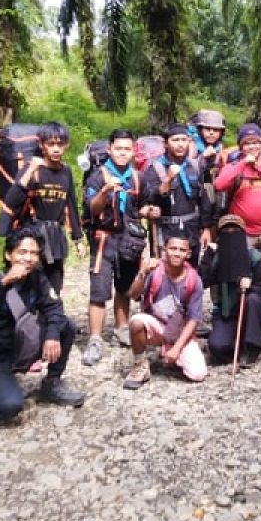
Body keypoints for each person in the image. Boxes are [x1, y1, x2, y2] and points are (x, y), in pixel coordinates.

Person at [0, 229, 85, 423]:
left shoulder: (36, 279)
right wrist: (5, 282)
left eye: (34, 253)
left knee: (65, 326)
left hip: (17, 348)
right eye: (22, 252)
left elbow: (54, 307)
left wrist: (51, 335)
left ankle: (52, 384)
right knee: (11, 407)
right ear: (9, 255)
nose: (29, 258)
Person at [82, 129, 149, 365]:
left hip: (128, 241)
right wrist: (105, 190)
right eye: (118, 148)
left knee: (124, 287)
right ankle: (95, 339)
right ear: (110, 149)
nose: (122, 153)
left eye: (127, 149)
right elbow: (92, 209)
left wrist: (149, 211)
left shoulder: (137, 177)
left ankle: (122, 329)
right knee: (99, 290)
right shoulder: (97, 176)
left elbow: (139, 206)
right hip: (104, 240)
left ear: (133, 151)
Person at [0, 121, 86, 294]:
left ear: (66, 145)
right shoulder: (33, 168)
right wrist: (30, 170)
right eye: (51, 144)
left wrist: (78, 239)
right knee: (29, 284)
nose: (55, 149)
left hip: (55, 235)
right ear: (41, 145)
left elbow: (71, 205)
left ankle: (50, 318)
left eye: (60, 144)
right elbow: (11, 199)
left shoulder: (66, 171)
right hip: (33, 234)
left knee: (55, 285)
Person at [123, 231, 208, 389]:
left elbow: (194, 320)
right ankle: (140, 365)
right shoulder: (155, 271)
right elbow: (133, 294)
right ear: (164, 250)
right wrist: (143, 272)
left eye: (182, 250)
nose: (177, 253)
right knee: (136, 322)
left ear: (189, 254)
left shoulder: (194, 280)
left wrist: (176, 349)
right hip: (157, 325)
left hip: (179, 331)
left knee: (198, 374)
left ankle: (172, 353)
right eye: (173, 248)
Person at [214, 123, 261, 278]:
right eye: (247, 143)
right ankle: (248, 302)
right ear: (241, 147)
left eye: (255, 142)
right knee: (244, 274)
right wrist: (243, 163)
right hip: (243, 233)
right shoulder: (233, 167)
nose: (251, 146)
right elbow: (219, 185)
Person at [201, 215, 261, 366]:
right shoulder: (216, 257)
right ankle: (235, 343)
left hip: (251, 313)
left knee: (252, 299)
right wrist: (208, 256)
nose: (230, 233)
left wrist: (251, 285)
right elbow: (202, 282)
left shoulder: (254, 256)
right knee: (217, 347)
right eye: (226, 231)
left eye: (235, 230)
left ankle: (251, 348)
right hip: (226, 313)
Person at [142, 123, 213, 268]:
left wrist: (206, 228)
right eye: (175, 140)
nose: (180, 144)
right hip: (166, 230)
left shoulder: (194, 166)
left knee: (191, 272)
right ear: (166, 144)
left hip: (191, 229)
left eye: (183, 139)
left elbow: (202, 198)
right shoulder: (155, 168)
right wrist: (167, 180)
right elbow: (150, 199)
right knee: (165, 274)